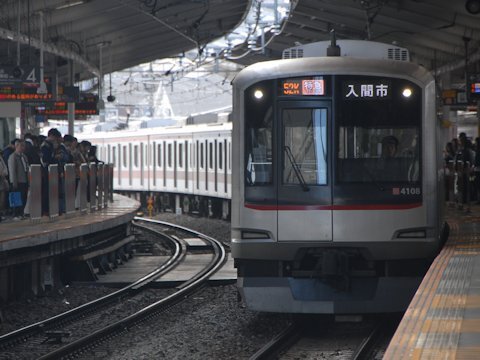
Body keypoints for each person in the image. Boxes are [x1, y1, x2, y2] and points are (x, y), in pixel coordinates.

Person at [8, 140, 29, 219]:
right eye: (21, 146)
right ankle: (16, 214)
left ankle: (21, 213)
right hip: (17, 180)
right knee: (16, 197)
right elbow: (12, 170)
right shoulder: (13, 157)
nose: (23, 148)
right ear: (16, 146)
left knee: (24, 197)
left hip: (24, 180)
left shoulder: (24, 156)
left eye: (24, 146)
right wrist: (14, 181)